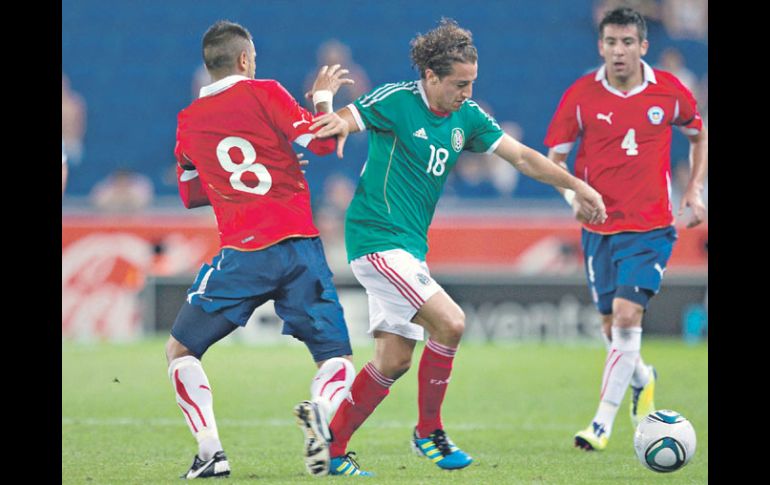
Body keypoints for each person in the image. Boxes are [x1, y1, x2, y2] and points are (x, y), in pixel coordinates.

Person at [309, 17, 608, 476]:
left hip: (409, 247)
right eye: (458, 84)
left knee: (394, 359)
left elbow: (524, 157)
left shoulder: (467, 117)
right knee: (451, 322)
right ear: (430, 76)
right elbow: (338, 125)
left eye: (472, 83)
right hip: (375, 238)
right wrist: (330, 110)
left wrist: (576, 187)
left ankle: (331, 450)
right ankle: (428, 430)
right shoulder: (395, 100)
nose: (466, 93)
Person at [166, 20, 358, 479]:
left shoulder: (188, 121)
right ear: (246, 60)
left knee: (181, 352)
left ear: (209, 66)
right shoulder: (265, 91)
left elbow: (191, 195)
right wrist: (323, 99)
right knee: (336, 359)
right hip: (299, 248)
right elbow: (326, 142)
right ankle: (318, 411)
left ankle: (211, 452)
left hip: (244, 253)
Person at [543, 7, 707, 451]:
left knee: (629, 317)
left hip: (651, 227)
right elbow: (553, 161)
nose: (619, 51)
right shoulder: (580, 95)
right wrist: (572, 197)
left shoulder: (670, 92)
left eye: (628, 42)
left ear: (643, 46)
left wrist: (695, 192)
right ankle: (643, 377)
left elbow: (699, 134)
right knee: (610, 327)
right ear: (601, 46)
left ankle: (600, 424)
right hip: (599, 229)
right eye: (612, 43)